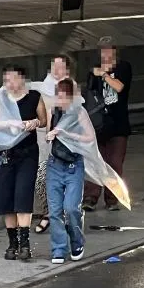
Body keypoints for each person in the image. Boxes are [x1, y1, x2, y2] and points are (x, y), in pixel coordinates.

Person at [0, 64, 47, 261]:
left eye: (12, 79)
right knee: (6, 198)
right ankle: (13, 243)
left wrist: (35, 123)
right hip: (5, 153)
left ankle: (25, 244)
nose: (9, 84)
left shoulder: (34, 97)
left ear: (22, 79)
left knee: (23, 195)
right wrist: (12, 123)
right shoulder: (1, 99)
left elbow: (44, 120)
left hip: (27, 153)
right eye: (6, 80)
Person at [45, 79, 93, 264]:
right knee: (55, 210)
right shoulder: (54, 111)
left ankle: (76, 241)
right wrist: (51, 133)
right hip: (55, 164)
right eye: (59, 96)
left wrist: (66, 134)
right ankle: (58, 248)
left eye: (65, 97)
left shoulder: (79, 113)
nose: (61, 101)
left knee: (71, 208)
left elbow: (89, 137)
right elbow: (49, 134)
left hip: (74, 165)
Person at [31, 55, 81, 235]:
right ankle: (49, 211)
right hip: (45, 138)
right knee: (42, 176)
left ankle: (62, 213)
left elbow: (75, 114)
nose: (56, 70)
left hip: (66, 139)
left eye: (61, 66)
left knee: (64, 178)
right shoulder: (44, 86)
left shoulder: (71, 87)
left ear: (67, 69)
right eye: (54, 65)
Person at [83, 38, 133, 212]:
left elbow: (119, 87)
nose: (106, 54)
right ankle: (90, 196)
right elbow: (89, 95)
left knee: (115, 163)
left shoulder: (123, 67)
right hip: (98, 124)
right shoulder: (94, 70)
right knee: (96, 161)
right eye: (103, 51)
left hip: (118, 123)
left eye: (109, 50)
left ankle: (112, 198)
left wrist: (104, 75)